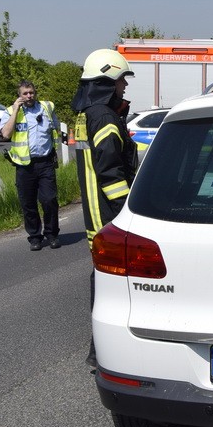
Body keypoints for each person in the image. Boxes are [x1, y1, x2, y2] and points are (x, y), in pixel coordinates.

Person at [72, 48, 138, 366]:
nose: (125, 86)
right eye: (121, 80)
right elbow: (110, 172)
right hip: (108, 213)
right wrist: (129, 212)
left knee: (103, 276)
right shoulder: (103, 116)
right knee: (108, 278)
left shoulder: (88, 113)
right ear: (108, 80)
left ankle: (100, 348)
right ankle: (101, 351)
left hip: (95, 209)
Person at [0, 80, 60, 251]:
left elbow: (55, 128)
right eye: (25, 93)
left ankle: (52, 234)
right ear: (19, 95)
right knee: (28, 204)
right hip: (24, 165)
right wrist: (15, 111)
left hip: (45, 162)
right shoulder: (11, 111)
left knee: (49, 200)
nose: (29, 96)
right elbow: (5, 134)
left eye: (31, 92)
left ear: (35, 93)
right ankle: (35, 237)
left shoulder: (47, 107)